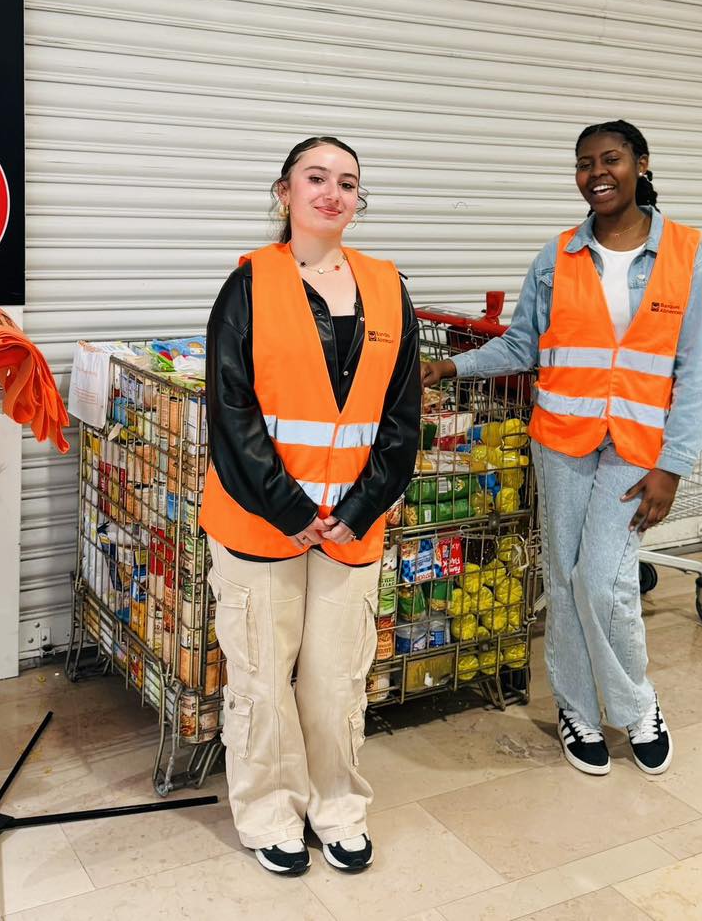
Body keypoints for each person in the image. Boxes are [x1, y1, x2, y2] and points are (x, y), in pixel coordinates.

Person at [422, 120, 702, 779]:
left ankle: (636, 705)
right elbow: (522, 344)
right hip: (561, 439)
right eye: (584, 163)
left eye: (610, 159)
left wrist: (673, 464)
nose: (596, 173)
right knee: (562, 576)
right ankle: (577, 709)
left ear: (641, 164)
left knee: (605, 580)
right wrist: (451, 368)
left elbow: (694, 369)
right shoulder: (557, 256)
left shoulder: (685, 253)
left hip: (635, 447)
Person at [200, 136, 420, 877]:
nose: (332, 193)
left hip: (351, 527)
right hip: (260, 521)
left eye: (347, 183)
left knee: (335, 682)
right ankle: (269, 812)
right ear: (285, 192)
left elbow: (401, 420)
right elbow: (231, 414)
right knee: (262, 680)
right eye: (315, 178)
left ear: (359, 200)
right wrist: (292, 509)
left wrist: (359, 507)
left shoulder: (387, 287)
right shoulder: (248, 285)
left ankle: (337, 808)